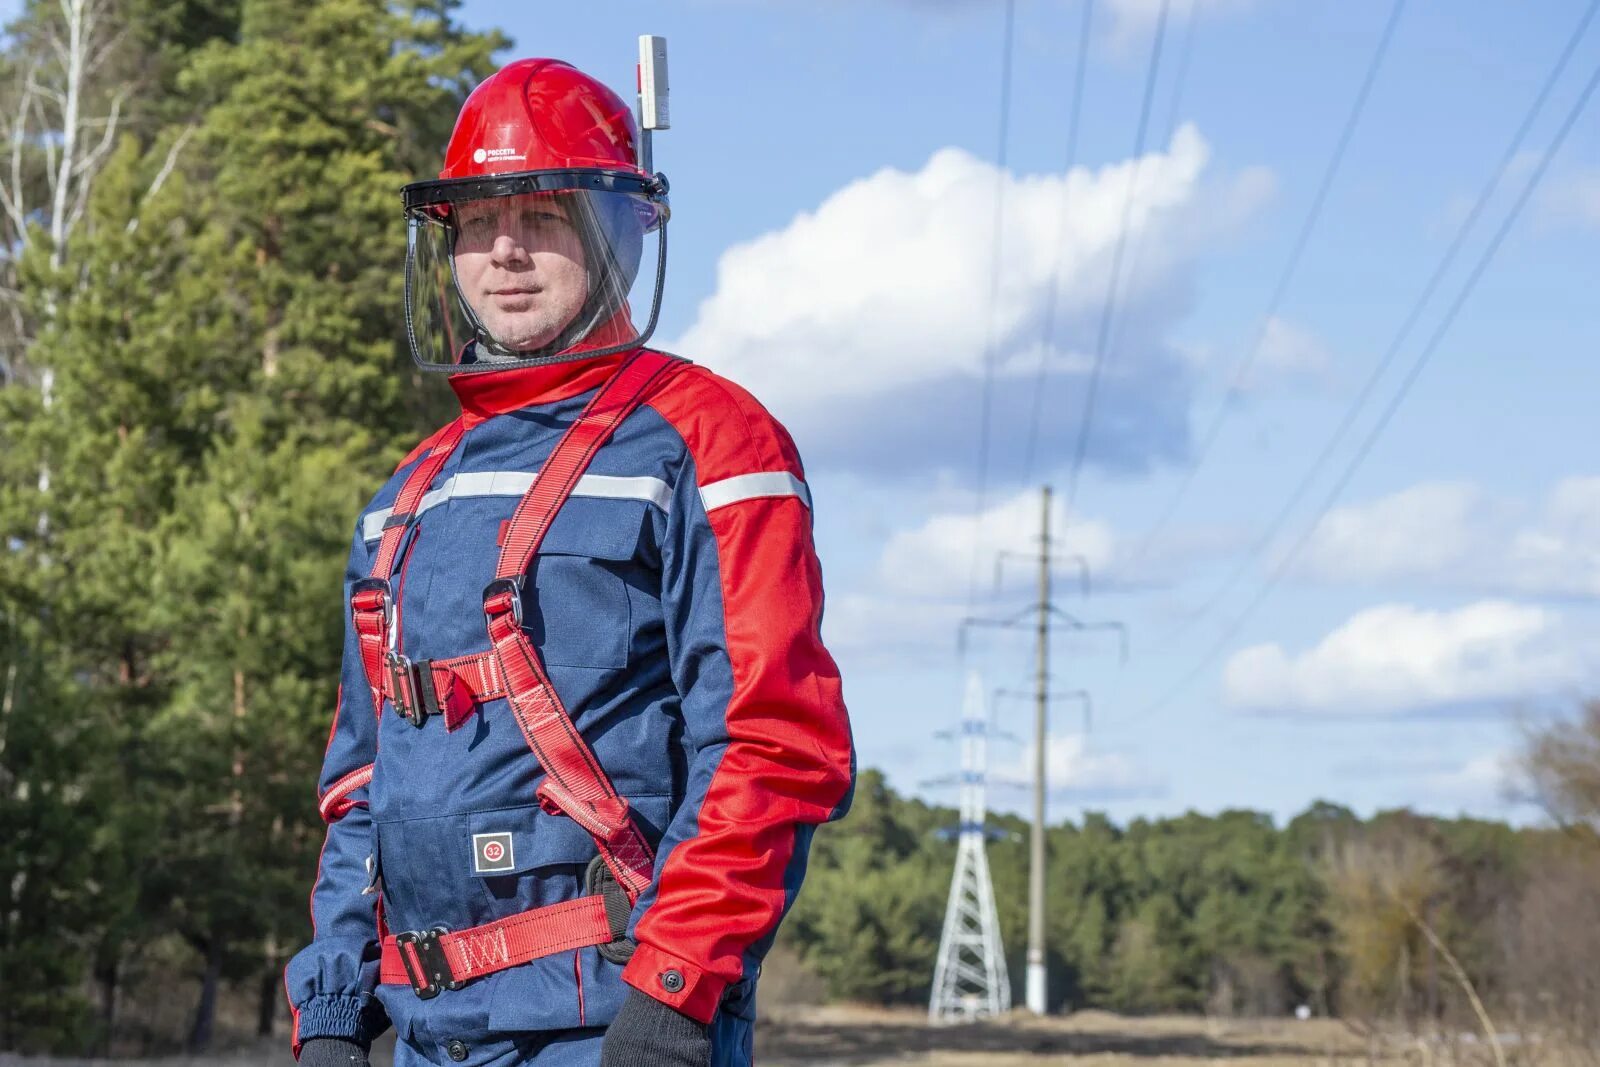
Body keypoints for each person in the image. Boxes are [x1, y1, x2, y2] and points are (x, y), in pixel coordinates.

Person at [283, 56, 855, 1067]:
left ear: (616, 234)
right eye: (478, 220)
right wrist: (331, 1003)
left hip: (611, 1026)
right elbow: (360, 781)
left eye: (542, 217)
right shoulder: (406, 498)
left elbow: (775, 742)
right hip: (423, 1035)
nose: (505, 250)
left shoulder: (711, 443)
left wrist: (673, 995)